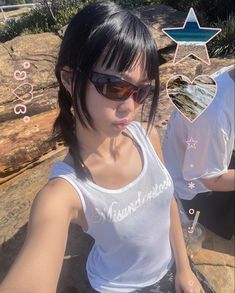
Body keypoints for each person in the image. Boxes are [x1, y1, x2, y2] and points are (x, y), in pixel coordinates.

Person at [0, 2, 215, 293]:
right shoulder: (64, 193)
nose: (130, 106)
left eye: (142, 91)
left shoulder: (146, 136)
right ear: (69, 79)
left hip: (170, 269)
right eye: (114, 87)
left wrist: (184, 268)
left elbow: (168, 203)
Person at [163, 65, 235, 240]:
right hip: (192, 193)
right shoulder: (214, 115)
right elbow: (212, 180)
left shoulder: (227, 76)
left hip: (195, 165)